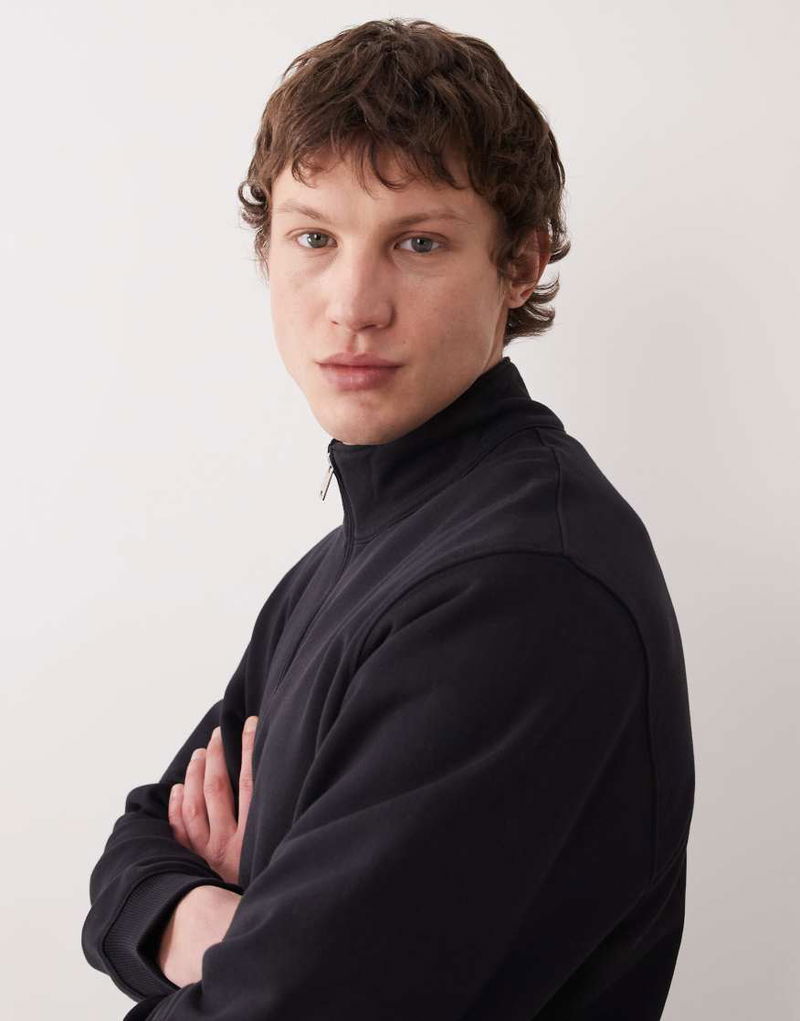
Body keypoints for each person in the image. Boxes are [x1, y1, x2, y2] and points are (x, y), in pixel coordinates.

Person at [81, 17, 695, 1020]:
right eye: (314, 238)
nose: (353, 304)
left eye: (417, 242)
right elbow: (133, 854)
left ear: (519, 264)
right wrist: (221, 924)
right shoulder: (350, 562)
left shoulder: (520, 584)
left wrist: (250, 931)